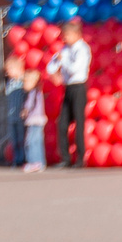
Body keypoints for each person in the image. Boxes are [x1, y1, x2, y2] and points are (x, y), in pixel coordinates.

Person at [51, 17, 92, 168]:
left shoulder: (82, 49)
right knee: (62, 123)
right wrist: (55, 70)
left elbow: (75, 68)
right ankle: (65, 158)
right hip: (68, 87)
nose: (64, 38)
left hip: (78, 87)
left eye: (67, 35)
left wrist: (63, 61)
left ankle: (80, 159)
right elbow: (51, 66)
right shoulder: (65, 49)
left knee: (79, 123)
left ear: (76, 34)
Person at [18, 68, 47, 170]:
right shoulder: (38, 92)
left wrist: (24, 111)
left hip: (34, 120)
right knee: (37, 141)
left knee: (31, 141)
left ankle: (34, 162)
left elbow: (30, 105)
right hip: (38, 120)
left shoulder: (33, 93)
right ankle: (40, 162)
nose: (24, 85)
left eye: (25, 82)